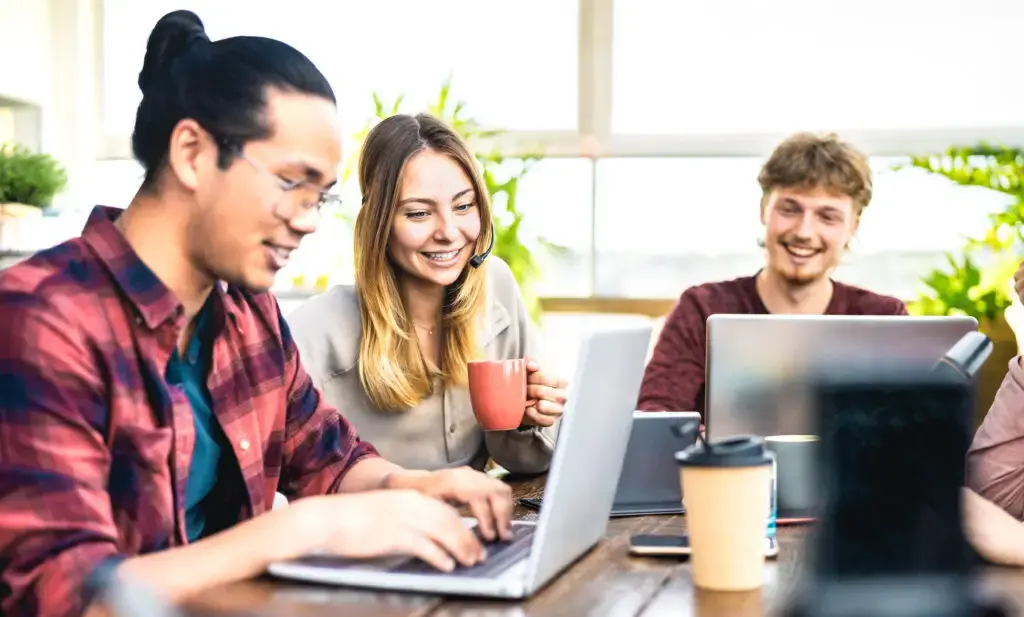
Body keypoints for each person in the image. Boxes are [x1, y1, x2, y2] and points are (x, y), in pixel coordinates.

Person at [0, 12, 514, 617]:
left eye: (320, 194)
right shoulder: (39, 320)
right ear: (192, 153)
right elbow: (65, 597)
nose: (308, 218)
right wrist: (307, 530)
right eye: (292, 182)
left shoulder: (249, 313)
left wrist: (415, 487)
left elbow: (330, 460)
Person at [288, 113, 567, 474]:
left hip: (476, 521)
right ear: (378, 223)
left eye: (464, 206)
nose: (449, 232)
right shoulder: (318, 329)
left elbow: (523, 460)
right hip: (375, 526)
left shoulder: (495, 286)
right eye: (419, 213)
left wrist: (529, 419)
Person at [636, 132, 907, 420]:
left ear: (853, 226)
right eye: (790, 209)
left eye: (827, 217)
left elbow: (918, 428)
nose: (804, 231)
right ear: (764, 210)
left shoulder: (883, 319)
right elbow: (655, 418)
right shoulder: (702, 308)